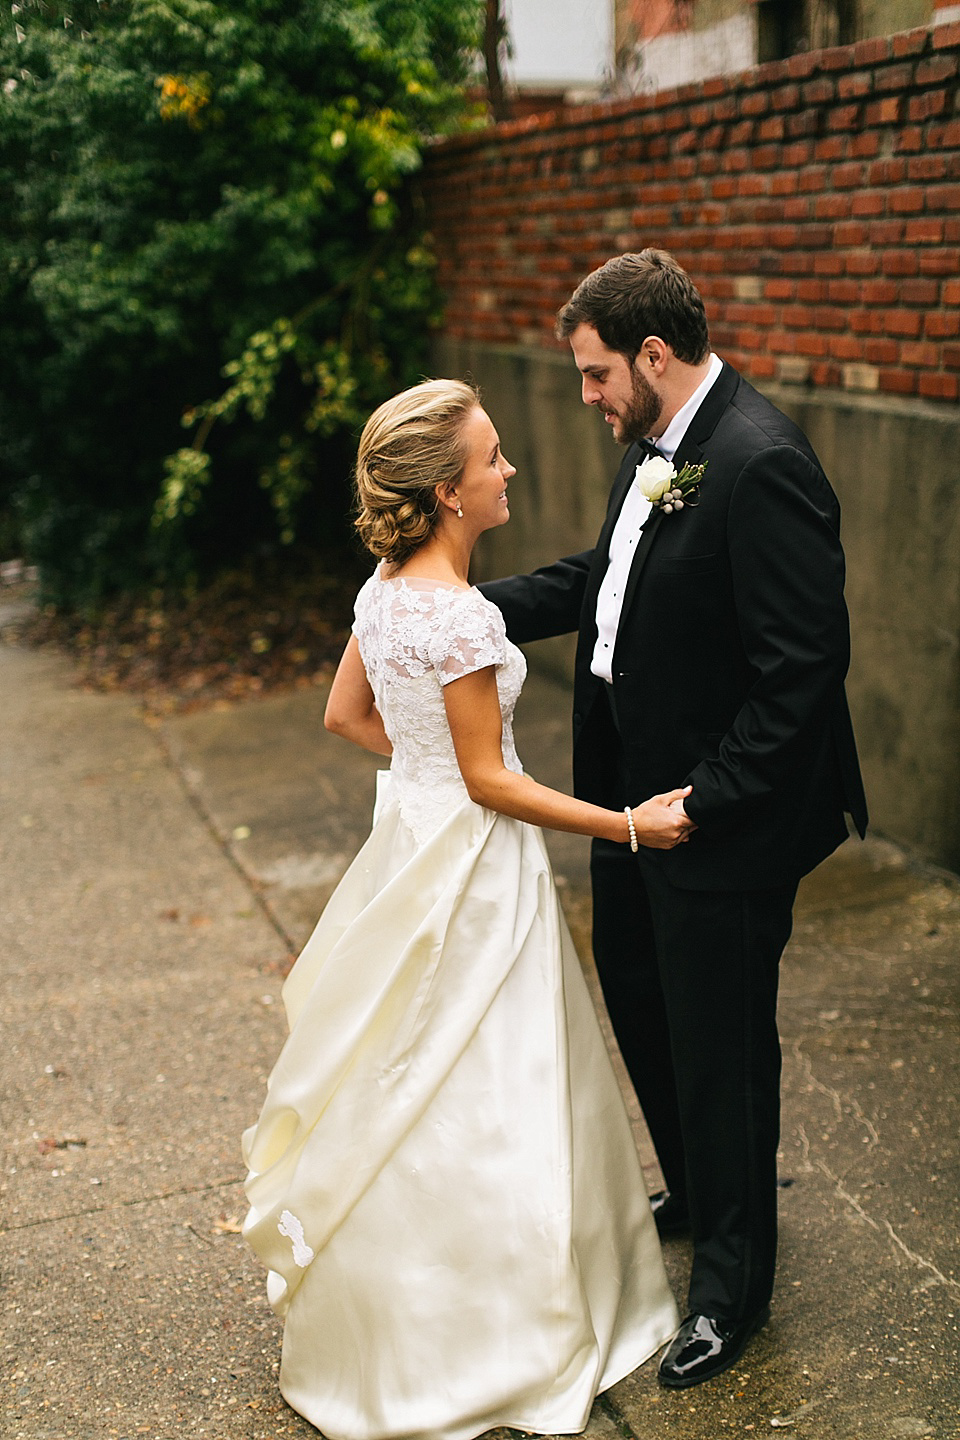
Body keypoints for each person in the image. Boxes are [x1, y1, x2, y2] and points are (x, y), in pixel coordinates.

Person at [241, 379, 681, 1440]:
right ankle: (499, 1335)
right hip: (478, 870)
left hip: (410, 849)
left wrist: (431, 767)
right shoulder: (463, 616)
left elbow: (346, 715)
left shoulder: (383, 589)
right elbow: (493, 781)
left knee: (404, 1075)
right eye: (492, 460)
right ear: (449, 493)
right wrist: (628, 825)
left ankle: (390, 1335)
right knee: (494, 1083)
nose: (508, 471)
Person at [481, 250, 868, 1388]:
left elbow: (802, 672)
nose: (587, 397)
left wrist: (705, 802)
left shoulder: (760, 463)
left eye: (597, 375)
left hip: (720, 819)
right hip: (624, 804)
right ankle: (698, 1190)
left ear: (653, 356)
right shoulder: (655, 448)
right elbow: (604, 581)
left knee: (723, 1046)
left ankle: (730, 1289)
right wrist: (463, 607)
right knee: (642, 998)